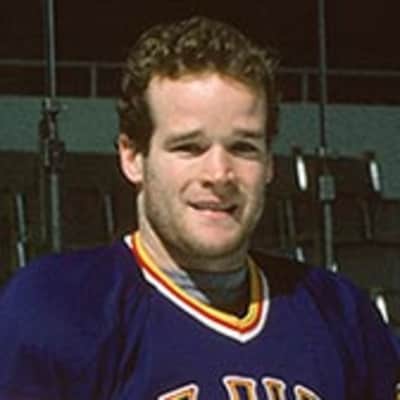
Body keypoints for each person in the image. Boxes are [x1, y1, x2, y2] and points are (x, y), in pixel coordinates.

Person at [0, 16, 398, 400]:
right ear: (132, 157)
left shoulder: (338, 312)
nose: (219, 174)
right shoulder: (57, 307)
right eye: (189, 147)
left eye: (243, 147)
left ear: (269, 164)